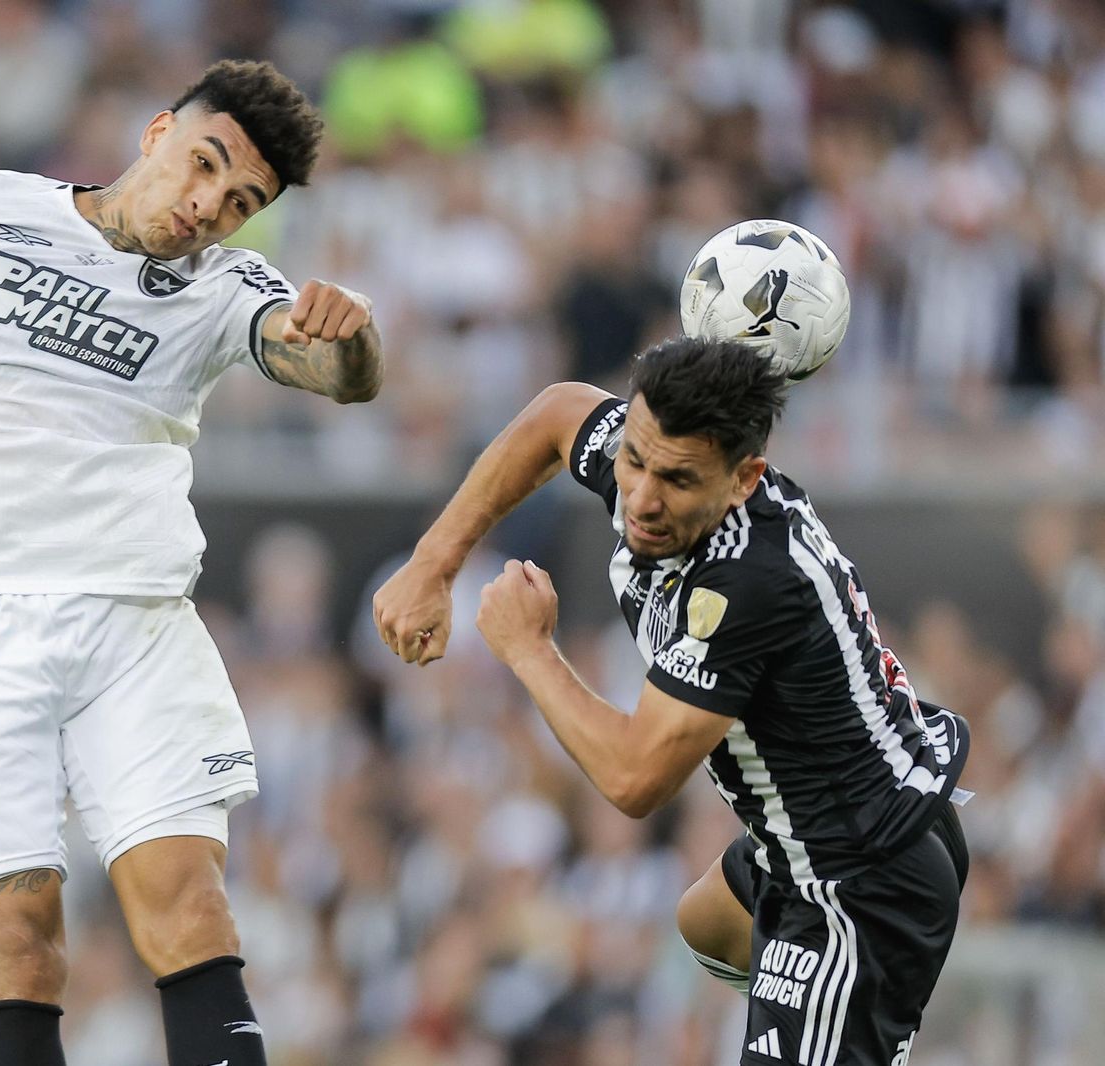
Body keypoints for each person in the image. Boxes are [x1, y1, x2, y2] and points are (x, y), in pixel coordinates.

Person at [0, 60, 382, 1066]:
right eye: (202, 166)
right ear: (155, 132)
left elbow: (331, 369)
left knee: (190, 910)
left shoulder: (228, 288)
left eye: (240, 204)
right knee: (20, 942)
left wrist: (351, 341)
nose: (205, 207)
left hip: (132, 619)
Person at [373, 336, 970, 1065]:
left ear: (744, 478)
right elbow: (558, 413)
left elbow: (634, 779)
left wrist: (528, 649)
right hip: (814, 844)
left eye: (678, 481)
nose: (643, 500)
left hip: (858, 881)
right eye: (633, 461)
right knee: (705, 924)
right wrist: (433, 564)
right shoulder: (656, 455)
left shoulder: (747, 581)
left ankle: (839, 1002)